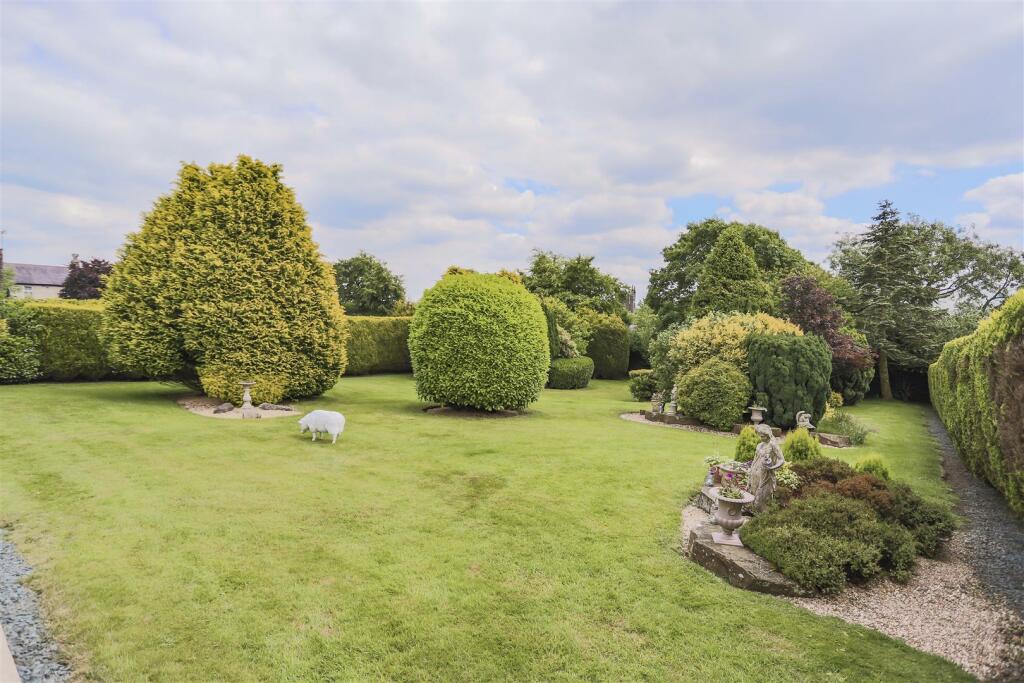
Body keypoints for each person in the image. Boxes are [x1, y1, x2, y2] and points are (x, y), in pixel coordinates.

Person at [747, 423, 785, 512]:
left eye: (763, 436)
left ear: (768, 435)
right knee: (752, 491)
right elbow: (755, 459)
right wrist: (751, 470)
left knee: (761, 495)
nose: (761, 438)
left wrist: (772, 468)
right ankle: (750, 511)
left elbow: (781, 460)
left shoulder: (773, 445)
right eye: (760, 436)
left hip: (765, 474)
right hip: (755, 472)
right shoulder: (760, 445)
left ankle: (760, 514)